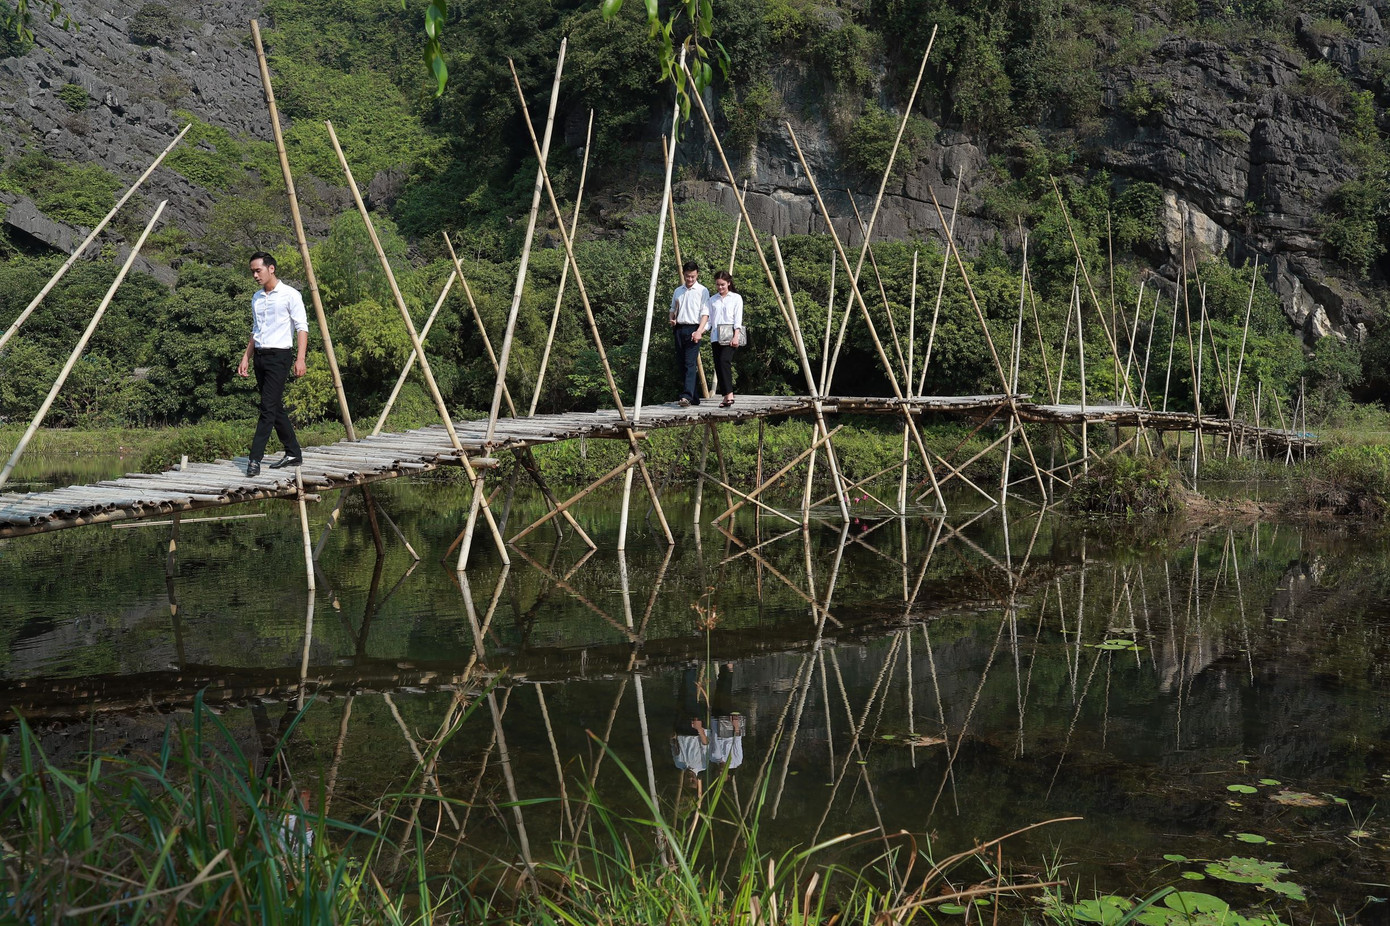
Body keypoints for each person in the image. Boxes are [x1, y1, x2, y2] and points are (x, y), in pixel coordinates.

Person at [237, 251, 307, 477]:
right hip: (260, 356)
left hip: (280, 356)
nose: (255, 275)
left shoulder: (290, 294)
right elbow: (256, 331)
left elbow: (301, 327)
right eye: (252, 272)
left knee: (267, 408)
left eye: (258, 270)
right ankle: (293, 452)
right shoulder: (256, 298)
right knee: (274, 406)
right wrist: (246, 357)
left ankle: (254, 459)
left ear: (271, 268)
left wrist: (300, 358)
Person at [669, 260, 709, 407]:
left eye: (692, 276)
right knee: (681, 364)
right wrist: (672, 320)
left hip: (694, 329)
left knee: (690, 363)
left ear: (697, 274)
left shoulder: (703, 291)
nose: (690, 279)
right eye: (687, 276)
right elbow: (672, 309)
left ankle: (686, 396)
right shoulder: (678, 291)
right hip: (679, 329)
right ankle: (694, 397)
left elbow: (705, 313)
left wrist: (699, 331)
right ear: (683, 275)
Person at [706, 270, 743, 408]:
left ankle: (730, 394)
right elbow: (709, 321)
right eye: (717, 285)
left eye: (722, 284)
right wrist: (700, 331)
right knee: (718, 366)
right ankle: (726, 396)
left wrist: (736, 335)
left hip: (730, 336)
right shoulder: (712, 300)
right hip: (716, 337)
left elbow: (737, 318)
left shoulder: (736, 298)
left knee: (724, 361)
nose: (720, 287)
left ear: (728, 283)